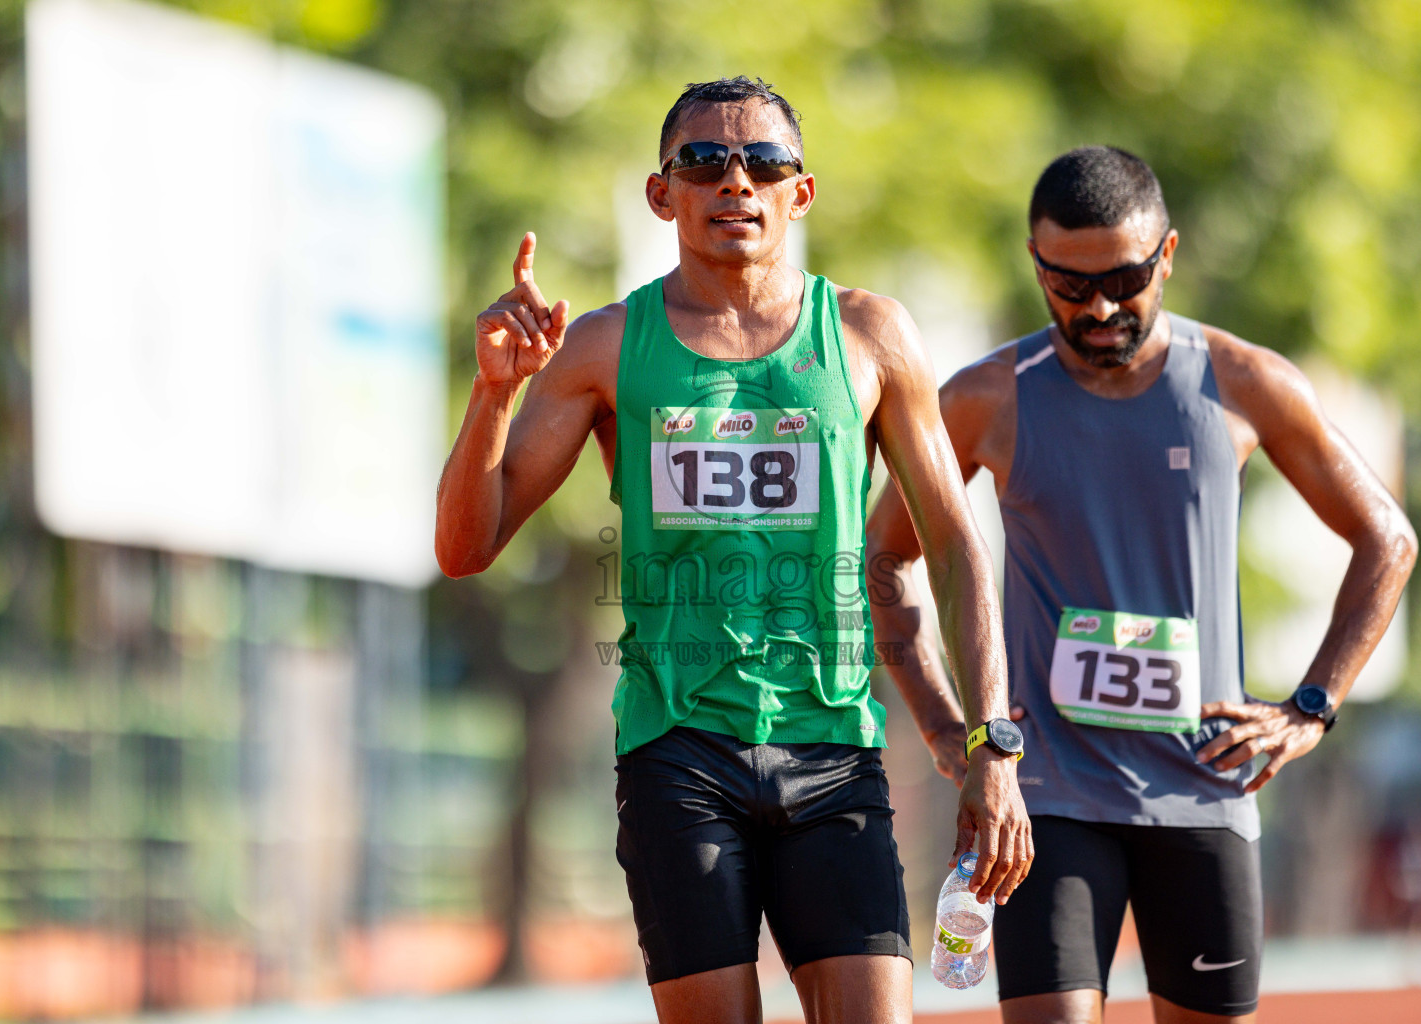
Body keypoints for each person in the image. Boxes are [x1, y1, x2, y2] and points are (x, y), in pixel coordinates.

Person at [434, 76, 1032, 1024]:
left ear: (801, 192)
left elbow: (954, 549)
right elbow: (465, 547)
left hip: (834, 746)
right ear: (661, 193)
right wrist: (495, 396)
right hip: (678, 752)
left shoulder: (872, 336)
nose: (735, 182)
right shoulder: (601, 347)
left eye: (764, 162)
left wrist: (992, 743)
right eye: (704, 162)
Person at [866, 146, 1417, 1024]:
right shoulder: (987, 398)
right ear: (1036, 264)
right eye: (1069, 285)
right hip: (1046, 799)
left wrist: (1312, 706)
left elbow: (1386, 539)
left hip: (1202, 788)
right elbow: (884, 555)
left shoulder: (1241, 382)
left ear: (1166, 254)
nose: (1100, 307)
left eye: (1124, 279)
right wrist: (946, 725)